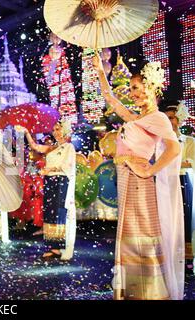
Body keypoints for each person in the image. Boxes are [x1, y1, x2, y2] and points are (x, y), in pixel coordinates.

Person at [94, 54, 184, 300]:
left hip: (138, 182)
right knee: (130, 235)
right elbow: (110, 99)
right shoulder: (139, 118)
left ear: (151, 88)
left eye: (135, 88)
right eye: (131, 88)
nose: (131, 93)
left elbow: (174, 148)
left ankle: (149, 293)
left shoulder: (158, 118)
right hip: (126, 180)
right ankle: (136, 291)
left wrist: (148, 170)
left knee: (139, 234)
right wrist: (101, 71)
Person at [15, 121, 76, 261]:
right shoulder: (53, 148)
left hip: (61, 181)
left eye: (58, 129)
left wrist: (49, 169)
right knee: (49, 212)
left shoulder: (69, 147)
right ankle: (52, 245)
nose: (55, 132)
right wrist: (26, 133)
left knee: (58, 211)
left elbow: (67, 165)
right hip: (49, 181)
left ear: (65, 130)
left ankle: (58, 246)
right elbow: (35, 147)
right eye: (54, 129)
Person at [161, 100, 194, 263]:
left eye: (172, 118)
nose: (169, 122)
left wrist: (170, 162)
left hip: (182, 180)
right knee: (166, 217)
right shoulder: (161, 141)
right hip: (164, 181)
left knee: (184, 217)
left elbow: (191, 162)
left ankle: (186, 259)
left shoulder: (189, 141)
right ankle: (168, 255)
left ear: (179, 120)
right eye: (166, 118)